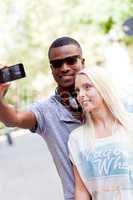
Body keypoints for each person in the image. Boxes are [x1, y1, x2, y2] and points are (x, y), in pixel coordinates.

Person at [0, 36, 85, 200]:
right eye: (57, 64)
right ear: (51, 69)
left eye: (71, 60)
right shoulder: (45, 111)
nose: (64, 68)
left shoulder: (105, 99)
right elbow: (13, 118)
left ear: (83, 61)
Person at [68, 66, 133, 200]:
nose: (80, 95)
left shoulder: (129, 125)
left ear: (103, 88)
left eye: (87, 87)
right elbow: (81, 191)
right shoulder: (76, 138)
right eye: (77, 90)